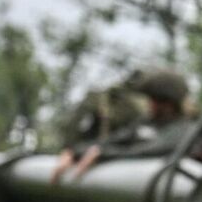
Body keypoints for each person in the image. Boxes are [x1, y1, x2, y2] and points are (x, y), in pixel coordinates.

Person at [50, 66, 192, 182]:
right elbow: (113, 140)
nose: (150, 104)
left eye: (155, 100)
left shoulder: (186, 129)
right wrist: (75, 152)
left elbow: (149, 150)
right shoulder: (146, 123)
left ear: (168, 104)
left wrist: (104, 155)